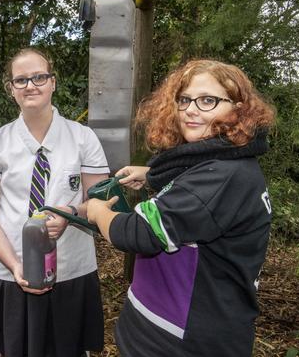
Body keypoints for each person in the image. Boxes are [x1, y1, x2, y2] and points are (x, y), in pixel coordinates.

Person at [85, 59, 276, 356]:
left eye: (208, 100)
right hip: (160, 327)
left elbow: (142, 233)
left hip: (182, 341)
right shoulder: (225, 163)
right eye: (185, 99)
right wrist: (150, 174)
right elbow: (193, 188)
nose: (190, 109)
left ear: (238, 109)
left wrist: (98, 212)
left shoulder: (223, 178)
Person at [0, 48, 108, 357]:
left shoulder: (83, 138)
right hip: (12, 271)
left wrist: (71, 214)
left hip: (70, 272)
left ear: (53, 82)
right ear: (10, 89)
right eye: (21, 80)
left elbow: (99, 204)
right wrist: (16, 264)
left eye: (39, 77)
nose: (30, 85)